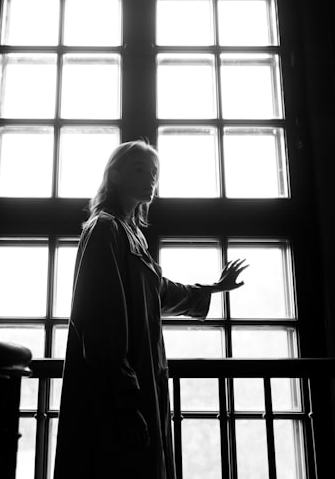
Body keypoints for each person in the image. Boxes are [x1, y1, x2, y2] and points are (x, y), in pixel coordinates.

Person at [52, 139, 248, 479]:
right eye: (140, 169)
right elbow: (100, 321)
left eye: (154, 172)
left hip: (137, 382)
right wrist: (125, 400)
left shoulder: (130, 234)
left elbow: (158, 291)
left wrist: (214, 288)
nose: (151, 178)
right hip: (117, 392)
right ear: (114, 176)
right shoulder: (105, 229)